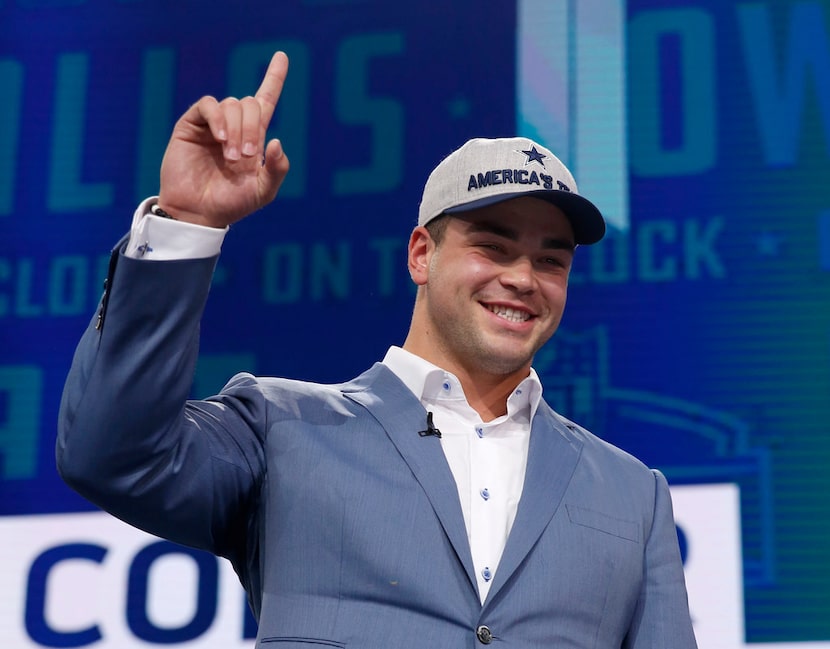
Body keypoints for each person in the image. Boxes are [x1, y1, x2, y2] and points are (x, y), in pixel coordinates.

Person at [57, 51, 697, 648]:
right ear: (422, 254)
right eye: (494, 247)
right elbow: (112, 456)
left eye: (550, 260)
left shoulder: (633, 496)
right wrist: (186, 225)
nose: (524, 278)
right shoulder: (280, 430)